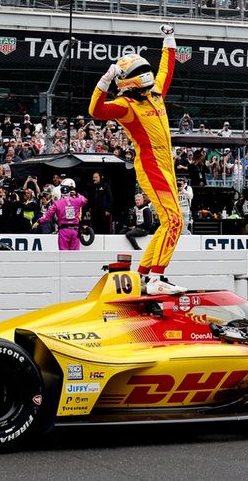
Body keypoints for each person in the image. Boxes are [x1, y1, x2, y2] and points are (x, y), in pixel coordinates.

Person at [89, 25, 186, 295]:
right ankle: (156, 279)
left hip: (165, 166)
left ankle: (144, 275)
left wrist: (169, 38)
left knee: (169, 222)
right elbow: (96, 111)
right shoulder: (126, 106)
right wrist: (104, 81)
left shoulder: (155, 93)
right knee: (175, 222)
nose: (148, 75)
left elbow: (167, 68)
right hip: (152, 166)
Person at [34, 178, 87, 250]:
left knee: (63, 254)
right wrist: (76, 193)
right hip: (75, 230)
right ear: (69, 192)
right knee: (75, 254)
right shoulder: (77, 200)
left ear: (61, 193)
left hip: (64, 231)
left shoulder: (57, 203)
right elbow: (84, 200)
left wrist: (38, 221)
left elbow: (47, 216)